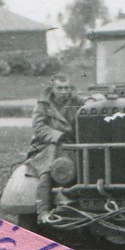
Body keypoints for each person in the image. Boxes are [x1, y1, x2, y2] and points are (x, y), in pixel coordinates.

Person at [27, 74, 84, 221]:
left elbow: (88, 106)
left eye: (67, 88)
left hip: (72, 143)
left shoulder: (77, 101)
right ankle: (43, 211)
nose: (64, 91)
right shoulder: (43, 105)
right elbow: (38, 127)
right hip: (47, 144)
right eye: (60, 88)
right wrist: (57, 135)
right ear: (53, 89)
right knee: (49, 168)